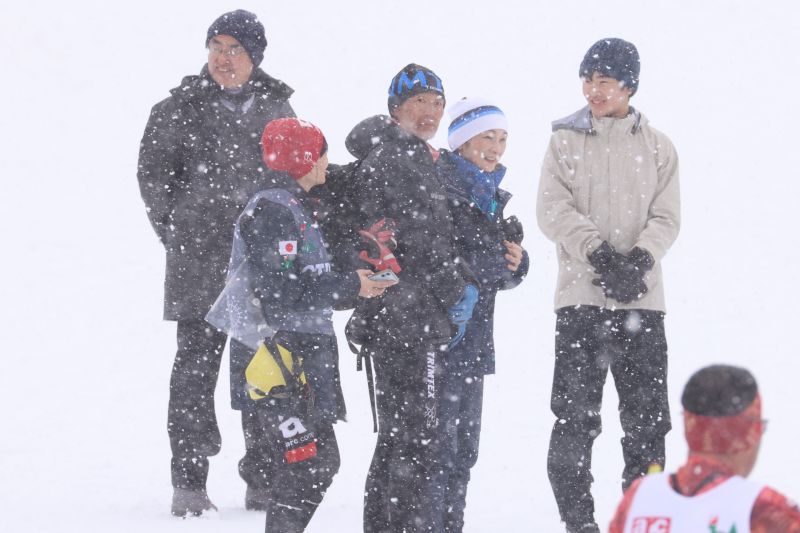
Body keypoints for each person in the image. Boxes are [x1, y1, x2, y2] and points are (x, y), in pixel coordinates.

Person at [136, 9, 296, 516]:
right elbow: (153, 180)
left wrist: (275, 244)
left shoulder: (279, 108)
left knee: (264, 370)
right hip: (198, 261)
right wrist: (182, 232)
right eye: (217, 48)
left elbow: (293, 179)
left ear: (256, 58)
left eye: (236, 50)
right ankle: (189, 480)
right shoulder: (176, 108)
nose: (224, 59)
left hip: (260, 266)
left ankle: (263, 477)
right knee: (194, 372)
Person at [208, 118, 396, 532]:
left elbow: (306, 281)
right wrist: (350, 284)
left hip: (302, 354)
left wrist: (358, 282)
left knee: (315, 462)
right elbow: (278, 292)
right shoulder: (274, 209)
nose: (328, 163)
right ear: (305, 159)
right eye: (323, 153)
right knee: (309, 463)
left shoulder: (297, 205)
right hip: (278, 357)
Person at [536, 38, 681, 532]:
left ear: (629, 85)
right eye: (587, 79)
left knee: (648, 424)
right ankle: (579, 523)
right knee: (574, 420)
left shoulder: (658, 147)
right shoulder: (564, 141)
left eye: (604, 80)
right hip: (582, 300)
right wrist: (599, 253)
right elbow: (552, 210)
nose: (593, 90)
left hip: (644, 302)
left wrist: (638, 261)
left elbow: (667, 217)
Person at [344, 64, 478, 532]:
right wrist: (457, 289)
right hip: (408, 317)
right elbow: (423, 240)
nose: (430, 112)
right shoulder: (401, 158)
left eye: (437, 103)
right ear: (395, 108)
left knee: (397, 438)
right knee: (418, 442)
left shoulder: (400, 154)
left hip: (391, 315)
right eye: (418, 102)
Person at [436, 97, 529, 531]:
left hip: (471, 342)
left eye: (503, 138)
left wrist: (517, 262)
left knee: (463, 451)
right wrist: (497, 258)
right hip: (442, 340)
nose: (496, 147)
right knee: (439, 451)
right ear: (461, 142)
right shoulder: (446, 189)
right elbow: (451, 264)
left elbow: (493, 273)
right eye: (487, 137)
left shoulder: (486, 193)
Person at [609, 364, 800, 532]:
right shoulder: (764, 511)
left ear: (688, 428)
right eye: (760, 426)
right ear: (748, 433)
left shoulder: (639, 500)